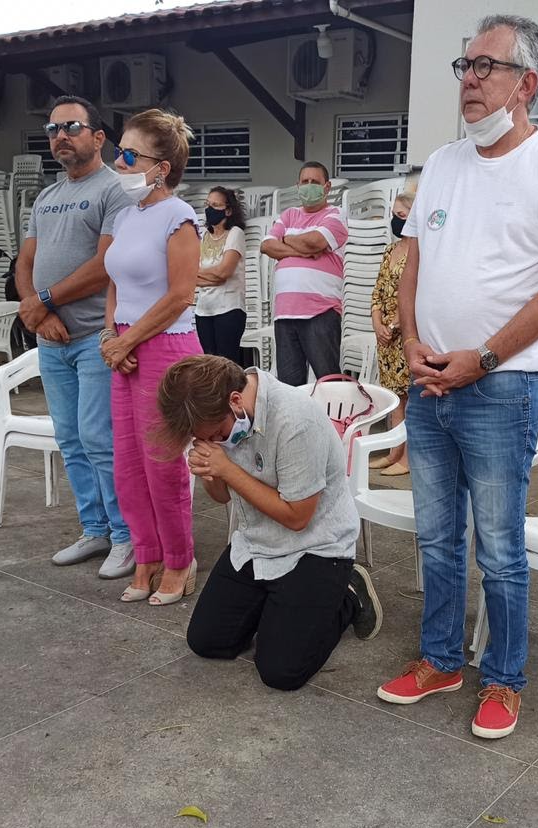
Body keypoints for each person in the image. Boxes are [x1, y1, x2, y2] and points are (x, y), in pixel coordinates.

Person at [376, 14, 538, 741]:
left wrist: (485, 358)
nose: (469, 78)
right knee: (437, 539)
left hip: (500, 389)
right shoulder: (443, 163)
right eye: (464, 65)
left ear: (526, 83)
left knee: (499, 548)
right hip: (429, 384)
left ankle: (503, 679)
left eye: (486, 66)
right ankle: (440, 659)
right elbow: (412, 264)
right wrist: (411, 344)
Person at [157, 354, 383, 690]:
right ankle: (280, 607)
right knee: (207, 641)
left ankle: (349, 594)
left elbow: (297, 517)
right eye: (204, 439)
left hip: (316, 545)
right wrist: (209, 470)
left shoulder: (295, 421)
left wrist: (227, 468)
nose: (214, 442)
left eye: (217, 433)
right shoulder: (215, 417)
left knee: (281, 671)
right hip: (256, 541)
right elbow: (221, 496)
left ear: (235, 401)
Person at [15, 95, 135, 579]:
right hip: (52, 340)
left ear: (98, 136)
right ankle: (95, 528)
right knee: (69, 439)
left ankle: (125, 537)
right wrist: (37, 313)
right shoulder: (45, 196)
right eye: (52, 128)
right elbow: (24, 262)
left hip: (93, 337)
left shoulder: (115, 191)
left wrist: (42, 299)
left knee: (99, 439)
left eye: (71, 126)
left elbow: (105, 265)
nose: (59, 135)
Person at [102, 109, 203, 605]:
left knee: (163, 464)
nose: (116, 162)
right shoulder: (125, 216)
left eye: (127, 154)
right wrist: (110, 337)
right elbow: (114, 284)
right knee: (128, 463)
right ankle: (146, 555)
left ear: (161, 166)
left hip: (165, 346)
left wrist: (129, 339)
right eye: (118, 152)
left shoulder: (179, 217)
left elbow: (181, 295)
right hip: (125, 346)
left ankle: (180, 560)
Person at [260, 162, 348, 385]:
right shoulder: (289, 215)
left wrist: (287, 239)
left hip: (320, 312)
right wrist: (306, 251)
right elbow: (267, 246)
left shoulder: (335, 214)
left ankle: (333, 421)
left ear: (327, 187)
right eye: (305, 182)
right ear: (297, 185)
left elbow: (316, 241)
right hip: (285, 314)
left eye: (315, 182)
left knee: (329, 383)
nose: (309, 187)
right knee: (290, 387)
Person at [368, 191, 416, 476]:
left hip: (405, 334)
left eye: (401, 216)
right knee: (393, 396)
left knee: (409, 397)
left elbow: (417, 294)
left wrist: (396, 325)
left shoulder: (419, 252)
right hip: (385, 336)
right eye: (394, 215)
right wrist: (378, 324)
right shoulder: (390, 250)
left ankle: (407, 458)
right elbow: (378, 291)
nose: (395, 221)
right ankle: (393, 452)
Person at [195, 186, 248, 365]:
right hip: (203, 310)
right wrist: (214, 276)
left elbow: (224, 272)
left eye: (215, 205)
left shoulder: (235, 234)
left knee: (227, 364)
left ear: (228, 210)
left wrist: (202, 276)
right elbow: (190, 275)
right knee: (208, 365)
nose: (210, 209)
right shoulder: (202, 236)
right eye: (208, 204)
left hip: (229, 310)